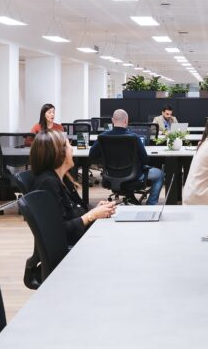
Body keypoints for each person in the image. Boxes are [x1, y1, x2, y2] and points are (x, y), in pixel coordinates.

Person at [23, 131, 116, 286]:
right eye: (68, 145)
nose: (72, 149)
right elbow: (59, 232)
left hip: (81, 242)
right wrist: (91, 216)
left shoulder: (62, 179)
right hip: (71, 254)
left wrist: (96, 210)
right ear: (57, 154)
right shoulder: (47, 184)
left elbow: (74, 210)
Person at [88, 109, 164, 205]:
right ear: (126, 121)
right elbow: (145, 160)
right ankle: (151, 204)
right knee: (159, 174)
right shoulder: (134, 137)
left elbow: (92, 156)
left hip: (110, 176)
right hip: (134, 177)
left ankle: (130, 197)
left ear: (112, 120)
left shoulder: (102, 137)